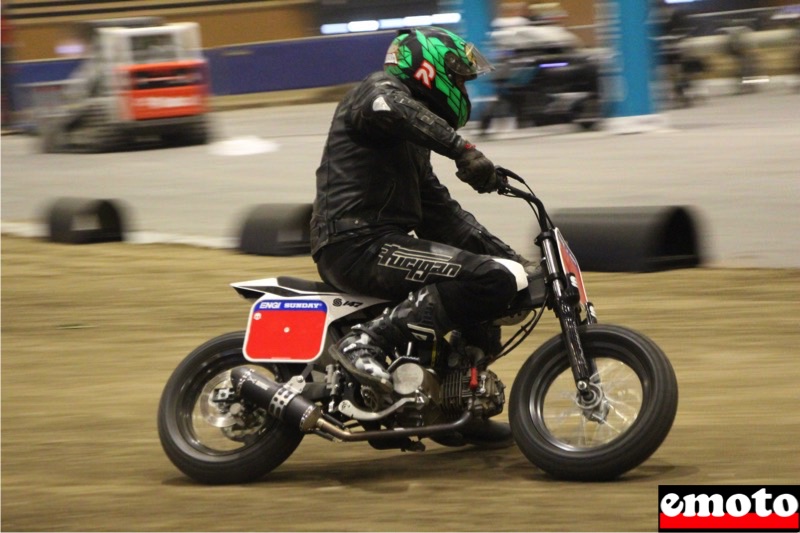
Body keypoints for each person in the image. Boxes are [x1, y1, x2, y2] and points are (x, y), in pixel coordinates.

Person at [311, 27, 538, 444]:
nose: (463, 87)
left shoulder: (411, 146)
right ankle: (363, 344)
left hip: (383, 244)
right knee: (486, 277)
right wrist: (463, 149)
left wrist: (517, 264)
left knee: (495, 282)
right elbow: (395, 108)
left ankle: (454, 407)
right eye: (459, 76)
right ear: (428, 67)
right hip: (355, 244)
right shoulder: (376, 94)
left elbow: (443, 216)